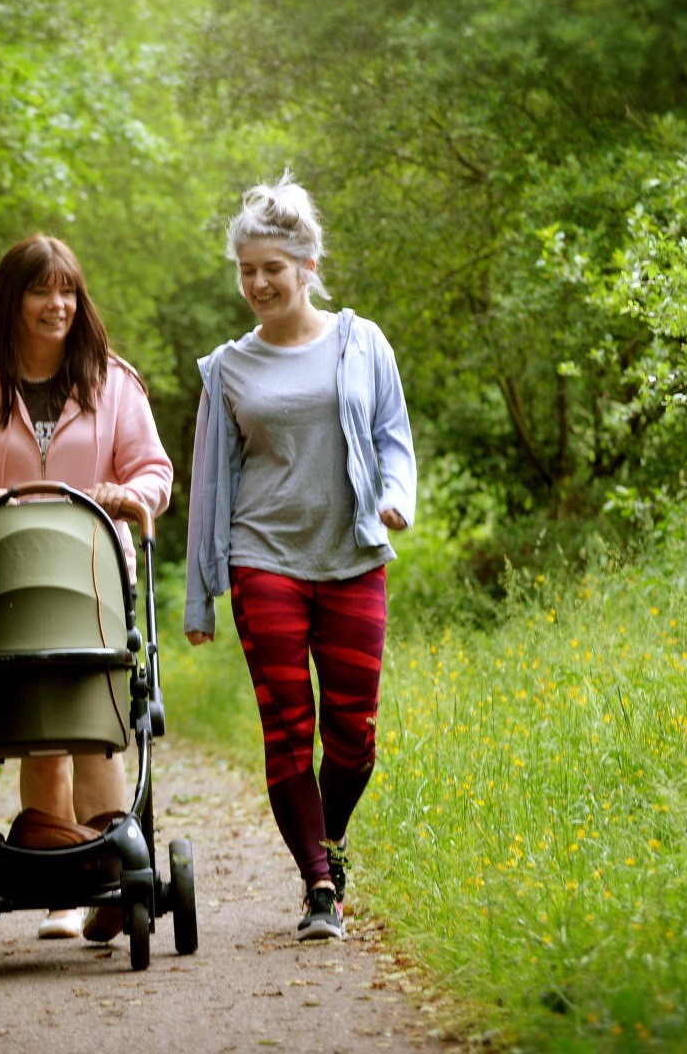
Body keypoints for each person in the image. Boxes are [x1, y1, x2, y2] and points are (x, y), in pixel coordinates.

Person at [0, 234, 173, 942]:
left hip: (94, 569)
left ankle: (112, 878)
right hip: (11, 572)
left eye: (66, 291)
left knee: (96, 724)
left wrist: (125, 492)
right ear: (12, 300)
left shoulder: (112, 379)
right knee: (39, 728)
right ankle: (62, 891)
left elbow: (156, 471)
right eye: (40, 291)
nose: (56, 305)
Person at [183, 174, 415, 941]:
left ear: (307, 267)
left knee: (354, 736)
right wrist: (200, 598)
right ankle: (319, 886)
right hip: (264, 559)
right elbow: (211, 486)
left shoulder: (361, 341)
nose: (256, 284)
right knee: (287, 728)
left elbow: (393, 440)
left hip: (352, 553)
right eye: (246, 270)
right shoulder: (227, 368)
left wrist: (395, 498)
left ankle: (331, 840)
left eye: (271, 269)